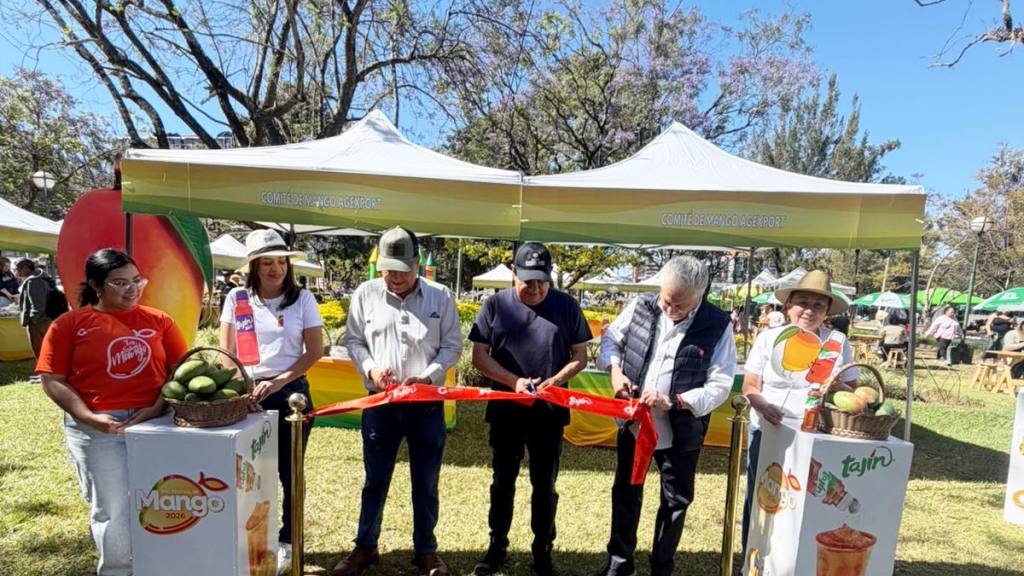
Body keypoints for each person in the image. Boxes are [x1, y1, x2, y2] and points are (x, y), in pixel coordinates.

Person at [36, 248, 188, 576]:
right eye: (119, 283)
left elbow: (180, 370)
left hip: (157, 423)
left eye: (137, 280)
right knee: (113, 509)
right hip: (97, 429)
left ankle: (162, 567)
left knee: (164, 500)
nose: (132, 289)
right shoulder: (69, 325)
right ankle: (117, 571)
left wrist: (157, 407)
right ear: (96, 285)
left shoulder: (159, 320)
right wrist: (87, 416)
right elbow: (52, 380)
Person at [593, 256, 736, 576]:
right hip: (634, 424)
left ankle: (661, 566)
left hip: (681, 429)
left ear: (700, 296)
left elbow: (720, 384)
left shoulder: (717, 324)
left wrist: (674, 400)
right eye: (665, 300)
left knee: (676, 501)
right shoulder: (642, 305)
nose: (669, 309)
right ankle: (619, 563)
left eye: (679, 305)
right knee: (626, 493)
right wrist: (615, 371)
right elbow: (610, 340)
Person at [335, 227, 461, 576]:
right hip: (381, 403)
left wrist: (430, 376)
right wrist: (371, 369)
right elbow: (354, 341)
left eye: (402, 270)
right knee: (374, 479)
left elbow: (452, 345)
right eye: (389, 270)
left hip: (426, 404)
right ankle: (365, 547)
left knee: (425, 480)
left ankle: (426, 551)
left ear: (416, 264)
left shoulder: (441, 296)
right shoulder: (366, 294)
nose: (395, 277)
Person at [469, 242, 591, 576]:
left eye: (542, 281)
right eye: (528, 280)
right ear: (513, 274)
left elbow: (580, 355)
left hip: (549, 412)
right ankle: (497, 547)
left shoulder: (567, 306)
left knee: (544, 483)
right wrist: (513, 382)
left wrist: (555, 379)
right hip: (506, 409)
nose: (535, 288)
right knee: (502, 480)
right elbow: (479, 356)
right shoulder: (494, 305)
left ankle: (542, 550)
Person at [219, 229, 324, 575]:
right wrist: (243, 389)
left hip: (290, 392)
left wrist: (278, 381)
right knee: (249, 473)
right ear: (254, 266)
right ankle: (249, 539)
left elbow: (313, 351)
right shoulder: (237, 298)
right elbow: (226, 354)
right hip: (247, 396)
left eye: (281, 262)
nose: (275, 269)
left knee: (289, 474)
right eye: (267, 262)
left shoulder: (303, 300)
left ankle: (288, 543)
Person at [741, 270, 858, 552]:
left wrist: (834, 385)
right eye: (803, 303)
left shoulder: (837, 342)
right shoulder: (768, 338)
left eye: (819, 305)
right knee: (762, 495)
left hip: (814, 432)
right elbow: (749, 386)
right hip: (768, 429)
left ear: (827, 312)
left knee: (803, 501)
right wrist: (763, 406)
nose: (809, 310)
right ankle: (753, 558)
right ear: (789, 306)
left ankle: (793, 558)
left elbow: (851, 389)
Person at [16, 258, 62, 363]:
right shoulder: (40, 277)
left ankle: (44, 374)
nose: (17, 272)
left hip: (40, 321)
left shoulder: (34, 281)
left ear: (26, 268)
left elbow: (38, 306)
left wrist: (33, 321)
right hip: (47, 318)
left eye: (18, 269)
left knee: (41, 350)